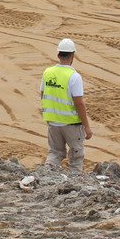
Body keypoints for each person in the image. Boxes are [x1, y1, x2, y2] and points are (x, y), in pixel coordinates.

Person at [40, 38, 92, 173]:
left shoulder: (48, 73)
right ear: (73, 56)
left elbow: (43, 95)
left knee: (55, 154)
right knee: (76, 158)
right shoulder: (74, 77)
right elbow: (79, 104)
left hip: (53, 122)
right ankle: (74, 186)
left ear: (58, 55)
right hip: (71, 124)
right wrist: (86, 126)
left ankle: (46, 177)